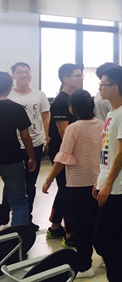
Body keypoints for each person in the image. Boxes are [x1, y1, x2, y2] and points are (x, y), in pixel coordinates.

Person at [42, 89, 103, 279]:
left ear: (71, 109)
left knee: (81, 228)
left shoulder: (73, 128)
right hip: (97, 182)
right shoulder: (101, 125)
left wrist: (48, 179)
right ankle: (106, 256)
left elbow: (62, 157)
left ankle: (85, 266)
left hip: (77, 184)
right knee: (97, 223)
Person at [92, 65, 122, 281]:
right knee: (114, 234)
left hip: (118, 184)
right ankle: (119, 276)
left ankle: (118, 276)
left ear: (115, 87)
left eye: (103, 84)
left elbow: (121, 152)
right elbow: (107, 151)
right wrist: (100, 179)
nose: (100, 88)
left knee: (103, 236)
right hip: (108, 179)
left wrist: (108, 183)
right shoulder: (112, 112)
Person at [6, 62, 49, 231]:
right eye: (20, 72)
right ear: (13, 76)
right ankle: (6, 213)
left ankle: (27, 219)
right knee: (13, 182)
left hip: (35, 142)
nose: (25, 75)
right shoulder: (8, 95)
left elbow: (45, 116)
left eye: (27, 71)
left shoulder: (39, 95)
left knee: (30, 183)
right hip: (14, 145)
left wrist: (47, 136)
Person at [46, 63, 83, 244]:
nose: (81, 79)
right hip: (63, 153)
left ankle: (55, 228)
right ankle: (70, 235)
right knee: (68, 193)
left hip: (68, 152)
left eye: (81, 75)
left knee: (64, 190)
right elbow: (65, 134)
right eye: (77, 76)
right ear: (65, 79)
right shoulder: (61, 101)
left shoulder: (71, 99)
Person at [0, 71, 36, 227]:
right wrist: (32, 157)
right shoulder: (16, 108)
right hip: (12, 158)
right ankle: (19, 238)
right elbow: (26, 137)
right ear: (10, 87)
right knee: (19, 201)